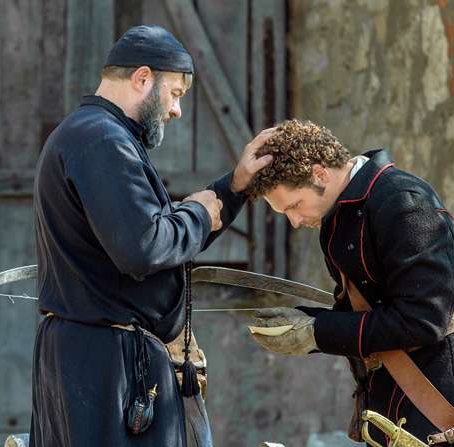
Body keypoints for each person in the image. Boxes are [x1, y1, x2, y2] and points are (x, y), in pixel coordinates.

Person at [30, 25, 273, 447]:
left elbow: (158, 239)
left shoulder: (92, 134)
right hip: (106, 367)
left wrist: (233, 188)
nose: (176, 110)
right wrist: (198, 212)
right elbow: (144, 247)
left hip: (95, 357)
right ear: (143, 78)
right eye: (175, 93)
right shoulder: (102, 139)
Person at [247, 119, 454, 445]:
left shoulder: (404, 200)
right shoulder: (337, 219)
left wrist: (316, 332)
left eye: (295, 205)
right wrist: (304, 322)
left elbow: (424, 320)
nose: (295, 221)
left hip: (442, 409)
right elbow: (363, 314)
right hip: (390, 406)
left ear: (320, 174)